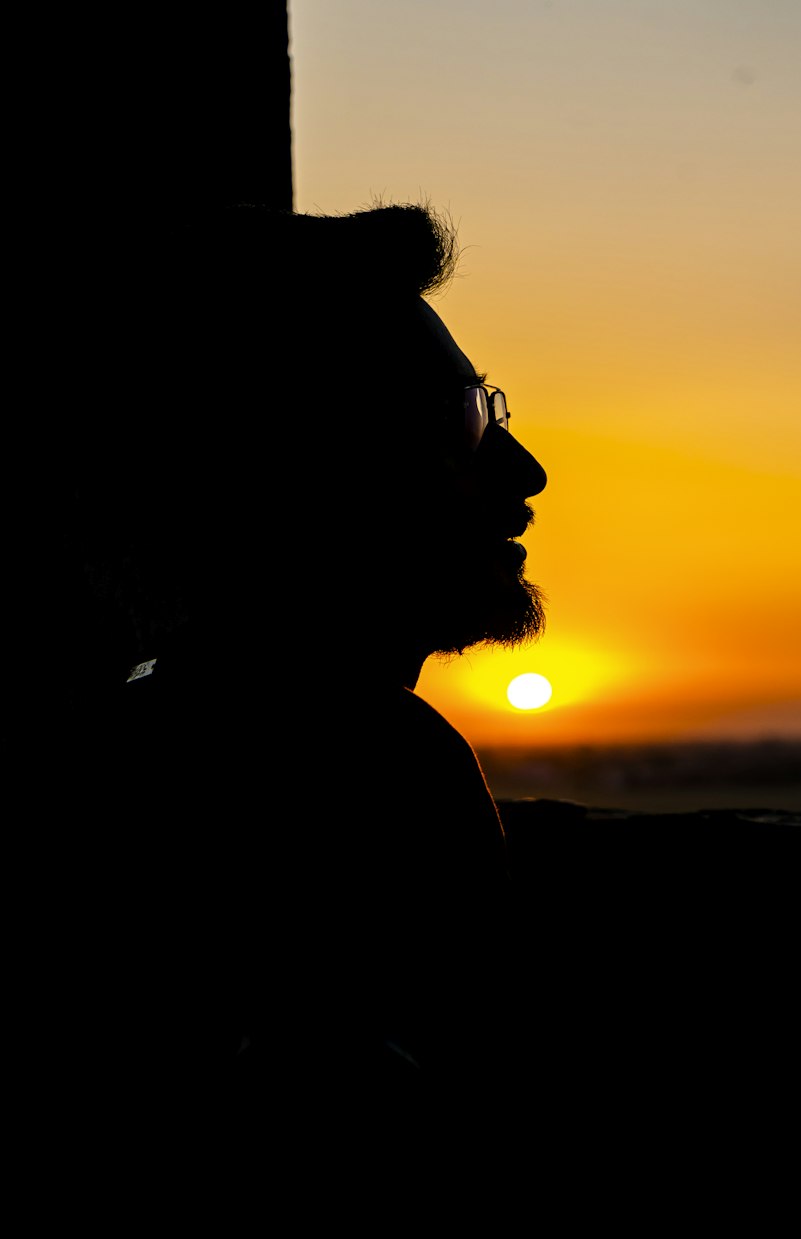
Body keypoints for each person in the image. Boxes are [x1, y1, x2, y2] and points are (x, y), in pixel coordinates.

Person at [41, 202, 549, 1178]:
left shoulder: (215, 742)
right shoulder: (306, 773)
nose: (523, 470)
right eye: (462, 422)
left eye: (492, 408)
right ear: (301, 466)